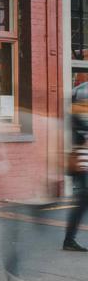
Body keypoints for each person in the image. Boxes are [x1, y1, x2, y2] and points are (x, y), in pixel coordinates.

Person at [63, 98, 88, 251]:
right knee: (80, 205)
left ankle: (69, 240)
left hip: (83, 167)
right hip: (81, 168)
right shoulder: (74, 120)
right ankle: (69, 240)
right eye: (82, 104)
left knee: (80, 206)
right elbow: (81, 142)